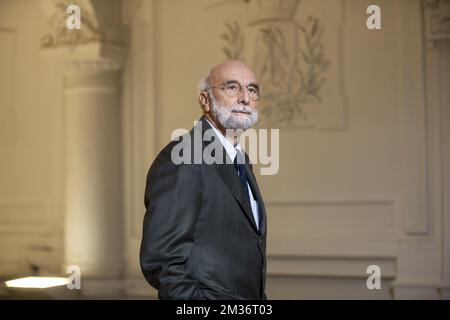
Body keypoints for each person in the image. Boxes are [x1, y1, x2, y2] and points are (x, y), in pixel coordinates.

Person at [139, 60, 267, 300]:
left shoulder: (241, 160)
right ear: (205, 100)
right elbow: (164, 263)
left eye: (252, 89)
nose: (245, 98)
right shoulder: (184, 157)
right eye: (232, 87)